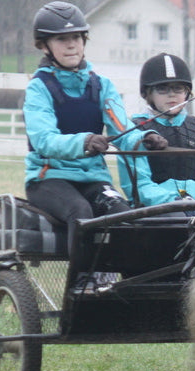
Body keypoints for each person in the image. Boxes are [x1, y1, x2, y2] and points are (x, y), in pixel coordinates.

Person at [24, 2, 167, 290]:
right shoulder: (39, 88)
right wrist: (85, 141)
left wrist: (144, 138)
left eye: (76, 38)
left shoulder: (101, 85)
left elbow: (122, 131)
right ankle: (82, 284)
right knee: (81, 212)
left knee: (125, 215)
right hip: (49, 179)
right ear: (45, 46)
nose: (71, 45)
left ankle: (129, 284)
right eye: (62, 39)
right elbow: (43, 140)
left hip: (93, 179)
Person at [117, 53, 195, 210]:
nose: (171, 94)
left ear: (187, 93)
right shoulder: (135, 132)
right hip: (155, 211)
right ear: (148, 94)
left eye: (178, 88)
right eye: (162, 89)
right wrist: (176, 201)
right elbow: (140, 186)